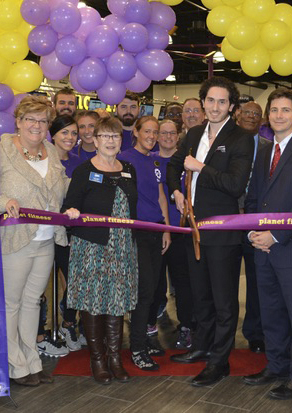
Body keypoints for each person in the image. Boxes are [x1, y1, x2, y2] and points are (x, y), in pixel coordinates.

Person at [167, 76, 254, 387]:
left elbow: (234, 184)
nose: (215, 107)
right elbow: (174, 166)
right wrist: (177, 192)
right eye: (211, 100)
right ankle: (202, 346)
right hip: (193, 230)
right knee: (200, 295)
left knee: (223, 300)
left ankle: (219, 361)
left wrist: (201, 168)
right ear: (202, 103)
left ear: (230, 106)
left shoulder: (241, 139)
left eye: (222, 102)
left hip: (221, 234)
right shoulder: (192, 134)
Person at [243, 89, 292, 400]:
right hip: (262, 248)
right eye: (274, 110)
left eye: (285, 110)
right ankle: (276, 366)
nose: (279, 115)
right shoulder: (264, 151)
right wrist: (252, 233)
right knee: (271, 312)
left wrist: (274, 235)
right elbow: (254, 198)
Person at [0, 95, 77, 387]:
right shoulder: (2, 149)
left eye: (43, 120)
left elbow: (64, 184)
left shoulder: (51, 151)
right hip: (15, 238)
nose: (36, 125)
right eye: (30, 119)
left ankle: (32, 361)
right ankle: (15, 365)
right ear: (18, 122)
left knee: (33, 302)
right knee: (11, 304)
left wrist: (75, 201)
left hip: (47, 239)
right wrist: (4, 200)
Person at [62, 117, 138, 385]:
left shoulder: (128, 168)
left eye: (115, 136)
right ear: (94, 140)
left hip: (122, 246)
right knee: (93, 300)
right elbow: (70, 206)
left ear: (121, 140)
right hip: (91, 246)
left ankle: (115, 358)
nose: (110, 141)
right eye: (105, 136)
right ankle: (97, 359)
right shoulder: (84, 170)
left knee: (116, 300)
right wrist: (71, 212)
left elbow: (132, 209)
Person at [119, 116, 171, 371]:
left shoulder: (155, 161)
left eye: (155, 132)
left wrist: (166, 229)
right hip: (135, 232)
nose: (152, 136)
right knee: (142, 290)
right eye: (147, 131)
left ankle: (141, 339)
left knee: (151, 291)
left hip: (155, 231)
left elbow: (161, 196)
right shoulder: (124, 158)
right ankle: (137, 346)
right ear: (136, 132)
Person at [148, 119, 194, 349]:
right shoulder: (150, 160)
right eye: (162, 133)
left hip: (182, 231)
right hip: (156, 230)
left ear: (179, 135)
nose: (167, 137)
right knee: (155, 283)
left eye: (171, 133)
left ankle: (186, 325)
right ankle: (150, 326)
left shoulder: (187, 162)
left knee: (183, 283)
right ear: (156, 136)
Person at [235, 100, 270, 354]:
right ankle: (220, 332)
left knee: (257, 282)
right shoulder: (224, 142)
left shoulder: (270, 149)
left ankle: (255, 332)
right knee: (224, 282)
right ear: (237, 114)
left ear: (262, 119)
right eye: (247, 112)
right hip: (225, 222)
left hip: (256, 224)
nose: (251, 117)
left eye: (256, 114)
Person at [49, 115, 83, 352]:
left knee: (75, 279)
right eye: (65, 133)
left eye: (73, 133)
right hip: (42, 230)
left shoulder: (78, 162)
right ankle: (41, 333)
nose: (70, 138)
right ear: (53, 135)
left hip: (68, 232)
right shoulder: (43, 158)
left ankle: (68, 323)